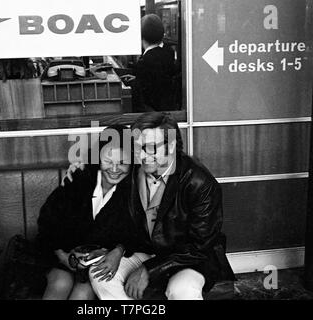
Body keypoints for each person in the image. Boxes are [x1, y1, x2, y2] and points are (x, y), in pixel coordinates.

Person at [64, 113, 235, 300]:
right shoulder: (134, 171)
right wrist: (119, 249)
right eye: (138, 147)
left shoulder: (200, 183)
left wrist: (149, 270)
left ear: (170, 146)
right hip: (147, 252)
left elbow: (199, 247)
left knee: (182, 290)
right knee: (101, 276)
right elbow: (107, 158)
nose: (142, 156)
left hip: (188, 261)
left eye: (151, 148)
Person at [35, 125, 137, 300]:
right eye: (108, 160)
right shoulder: (78, 180)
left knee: (82, 293)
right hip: (60, 254)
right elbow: (47, 221)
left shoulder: (134, 191)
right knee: (61, 282)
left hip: (94, 263)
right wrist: (64, 257)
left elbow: (136, 234)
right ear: (98, 158)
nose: (114, 169)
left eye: (122, 162)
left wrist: (118, 250)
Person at [121, 14, 177, 112]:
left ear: (141, 36)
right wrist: (138, 78)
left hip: (154, 111)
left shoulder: (146, 61)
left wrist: (135, 82)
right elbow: (159, 78)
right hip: (168, 106)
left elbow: (145, 94)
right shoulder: (168, 51)